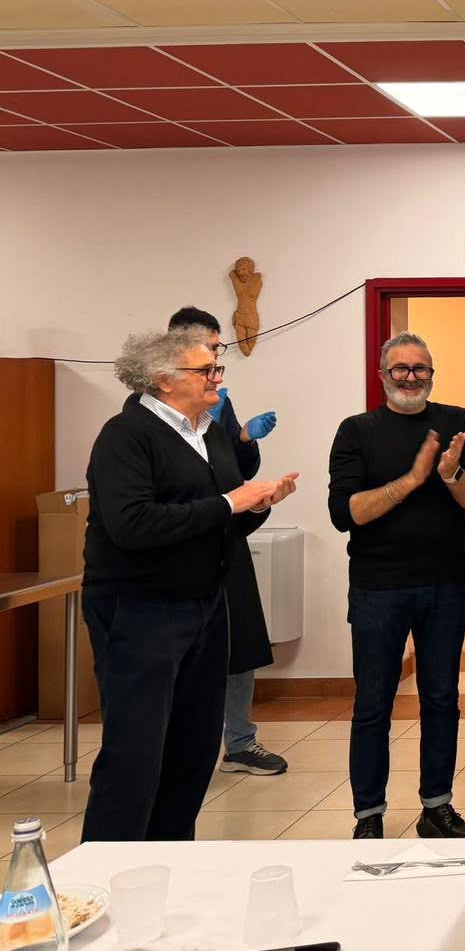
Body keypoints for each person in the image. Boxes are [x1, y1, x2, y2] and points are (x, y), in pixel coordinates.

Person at [82, 326, 298, 841]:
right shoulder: (125, 434)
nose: (217, 378)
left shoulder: (210, 433)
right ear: (163, 378)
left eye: (216, 368)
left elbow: (220, 520)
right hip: (140, 609)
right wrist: (230, 503)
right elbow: (133, 525)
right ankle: (108, 866)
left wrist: (256, 506)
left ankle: (170, 858)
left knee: (193, 750)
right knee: (136, 754)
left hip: (205, 604)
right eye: (206, 370)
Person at [328, 331, 465, 840]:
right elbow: (346, 513)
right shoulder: (356, 431)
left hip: (445, 584)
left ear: (431, 374)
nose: (412, 377)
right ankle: (368, 815)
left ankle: (437, 808)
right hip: (378, 588)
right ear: (383, 375)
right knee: (373, 704)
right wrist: (413, 479)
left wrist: (450, 474)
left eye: (421, 368)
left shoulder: (457, 422)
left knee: (441, 698)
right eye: (401, 368)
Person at [162, 305, 287, 778]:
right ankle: (172, 747)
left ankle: (239, 741)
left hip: (227, 542)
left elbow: (236, 471)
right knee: (182, 654)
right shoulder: (151, 412)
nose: (217, 360)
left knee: (239, 642)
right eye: (211, 349)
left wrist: (245, 439)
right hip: (182, 550)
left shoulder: (217, 400)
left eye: (219, 350)